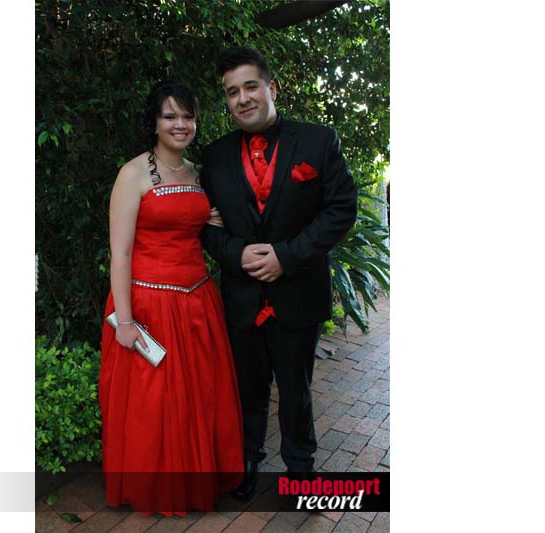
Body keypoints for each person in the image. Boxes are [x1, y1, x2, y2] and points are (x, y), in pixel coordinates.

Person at [200, 47, 358, 499]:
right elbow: (204, 227)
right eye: (232, 92)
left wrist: (286, 256)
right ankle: (248, 462)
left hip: (298, 292)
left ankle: (301, 471)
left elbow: (340, 210)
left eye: (250, 87)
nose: (242, 98)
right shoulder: (213, 156)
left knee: (296, 390)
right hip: (241, 297)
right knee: (247, 390)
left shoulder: (318, 141)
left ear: (271, 88)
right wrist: (236, 254)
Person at [99, 80, 243, 515]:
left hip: (198, 301)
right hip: (149, 307)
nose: (180, 124)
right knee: (154, 404)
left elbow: (196, 225)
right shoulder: (133, 174)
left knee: (199, 397)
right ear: (155, 122)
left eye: (187, 116)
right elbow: (121, 253)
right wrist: (125, 321)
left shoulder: (199, 174)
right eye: (170, 116)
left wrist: (213, 218)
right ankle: (157, 489)